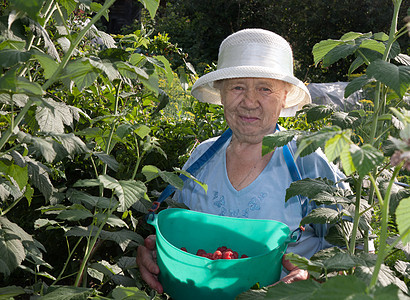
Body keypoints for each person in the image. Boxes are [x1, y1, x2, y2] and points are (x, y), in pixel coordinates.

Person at [136, 28, 347, 294]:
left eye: (265, 89)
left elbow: (357, 248)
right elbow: (181, 236)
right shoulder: (202, 157)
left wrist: (316, 277)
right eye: (237, 87)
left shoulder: (305, 160)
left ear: (283, 97)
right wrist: (158, 254)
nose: (249, 102)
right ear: (221, 93)